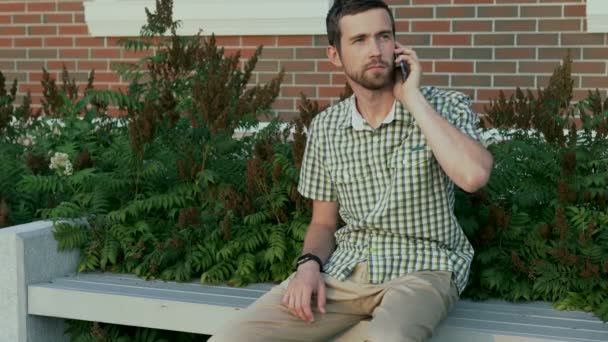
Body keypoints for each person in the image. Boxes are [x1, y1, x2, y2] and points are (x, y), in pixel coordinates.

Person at [209, 0, 493, 341]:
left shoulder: (445, 105)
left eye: (383, 36)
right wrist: (309, 266)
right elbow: (323, 222)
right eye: (359, 40)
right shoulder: (326, 127)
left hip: (423, 269)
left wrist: (413, 100)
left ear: (397, 45)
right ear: (335, 55)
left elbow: (474, 176)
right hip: (345, 272)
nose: (375, 50)